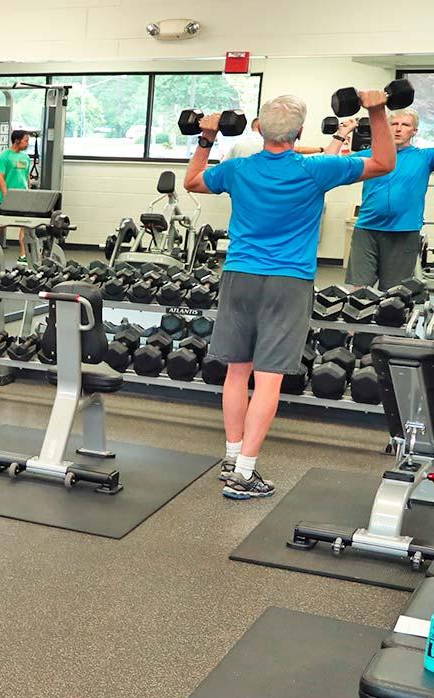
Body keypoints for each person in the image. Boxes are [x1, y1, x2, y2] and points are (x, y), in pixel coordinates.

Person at [185, 91, 397, 499]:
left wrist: (206, 138)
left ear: (259, 128)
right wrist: (375, 110)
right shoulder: (317, 169)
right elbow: (384, 162)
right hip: (288, 280)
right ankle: (244, 473)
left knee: (236, 372)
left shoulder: (237, 169)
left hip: (239, 276)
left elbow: (193, 181)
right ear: (300, 133)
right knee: (267, 379)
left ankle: (232, 458)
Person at [323, 110, 434, 289]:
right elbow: (327, 167)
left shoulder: (425, 157)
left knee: (393, 296)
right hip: (367, 231)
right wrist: (341, 134)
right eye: (393, 124)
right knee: (359, 292)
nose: (398, 129)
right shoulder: (369, 155)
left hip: (404, 232)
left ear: (414, 131)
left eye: (405, 125)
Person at [0, 130, 34, 262]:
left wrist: (29, 191)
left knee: (25, 225)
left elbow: (26, 177)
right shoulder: (3, 156)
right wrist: (7, 196)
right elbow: (0, 176)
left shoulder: (26, 158)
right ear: (17, 141)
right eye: (26, 140)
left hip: (22, 197)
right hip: (4, 198)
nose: (28, 143)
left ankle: (23, 255)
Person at [223, 117, 324, 161]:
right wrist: (321, 149)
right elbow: (299, 150)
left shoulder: (237, 143)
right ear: (261, 127)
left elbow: (223, 167)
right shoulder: (273, 144)